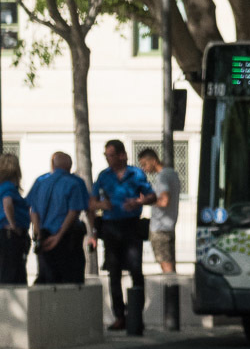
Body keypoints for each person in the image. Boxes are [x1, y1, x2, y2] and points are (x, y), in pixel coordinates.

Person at [90, 140, 156, 330]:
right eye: (106, 155)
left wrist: (137, 202)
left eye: (110, 155)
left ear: (121, 155)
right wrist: (103, 206)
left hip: (131, 225)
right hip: (110, 226)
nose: (108, 159)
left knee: (136, 270)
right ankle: (119, 315)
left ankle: (135, 313)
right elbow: (92, 203)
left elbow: (152, 196)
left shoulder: (136, 173)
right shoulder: (103, 176)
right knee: (114, 272)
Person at [26, 152, 89, 285]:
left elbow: (33, 209)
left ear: (53, 165)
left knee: (47, 277)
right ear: (70, 166)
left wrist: (38, 235)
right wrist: (59, 235)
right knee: (70, 279)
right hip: (67, 236)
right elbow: (74, 211)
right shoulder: (75, 182)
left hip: (45, 235)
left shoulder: (40, 181)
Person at [137, 148, 182, 274]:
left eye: (145, 164)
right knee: (170, 264)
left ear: (154, 160)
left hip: (160, 228)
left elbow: (164, 201)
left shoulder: (162, 177)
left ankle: (170, 291)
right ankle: (173, 291)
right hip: (169, 226)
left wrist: (144, 201)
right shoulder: (172, 174)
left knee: (166, 266)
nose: (144, 168)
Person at [0, 153, 30, 284]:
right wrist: (13, 225)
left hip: (5, 233)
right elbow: (7, 203)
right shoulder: (8, 187)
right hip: (10, 234)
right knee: (12, 272)